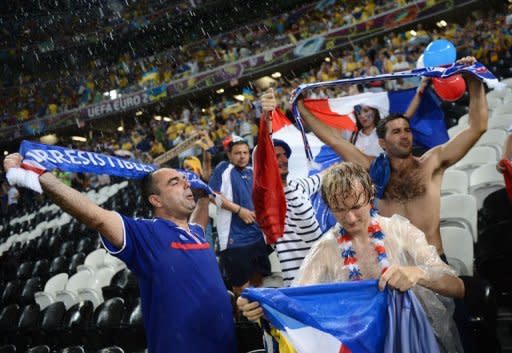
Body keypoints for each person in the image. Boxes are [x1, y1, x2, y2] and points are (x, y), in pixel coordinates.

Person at [3, 154, 236, 353]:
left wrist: (204, 193)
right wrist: (37, 175)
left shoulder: (196, 231)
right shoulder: (144, 233)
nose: (186, 184)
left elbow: (201, 212)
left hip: (225, 344)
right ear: (156, 200)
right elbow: (94, 215)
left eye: (186, 181)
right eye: (175, 182)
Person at [238, 162, 464, 353]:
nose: (351, 217)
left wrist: (418, 273)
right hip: (358, 345)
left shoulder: (400, 231)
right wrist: (259, 304)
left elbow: (457, 287)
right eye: (339, 209)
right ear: (327, 206)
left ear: (371, 195)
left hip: (410, 338)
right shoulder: (325, 249)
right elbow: (295, 304)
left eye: (357, 206)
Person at [296, 56, 487, 257]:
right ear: (382, 143)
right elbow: (335, 142)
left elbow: (477, 127)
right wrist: (302, 110)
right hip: (396, 267)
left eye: (407, 130)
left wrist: (473, 80)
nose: (404, 135)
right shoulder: (374, 168)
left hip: (434, 262)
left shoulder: (431, 163)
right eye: (396, 132)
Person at [259, 89, 325, 286]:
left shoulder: (299, 186)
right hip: (297, 284)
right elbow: (312, 233)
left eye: (284, 155)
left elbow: (324, 176)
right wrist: (266, 117)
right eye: (276, 156)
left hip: (323, 278)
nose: (283, 160)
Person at [208, 136, 270, 295]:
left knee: (259, 284)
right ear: (229, 155)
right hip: (234, 240)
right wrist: (239, 210)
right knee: (241, 289)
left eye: (245, 152)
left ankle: (259, 319)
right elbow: (212, 196)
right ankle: (241, 319)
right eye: (237, 153)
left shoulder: (252, 171)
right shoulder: (223, 168)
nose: (242, 156)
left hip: (256, 237)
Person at [349, 78, 430, 157]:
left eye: (366, 111)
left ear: (374, 111)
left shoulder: (384, 129)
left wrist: (420, 92)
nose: (362, 116)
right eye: (358, 113)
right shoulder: (352, 136)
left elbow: (406, 116)